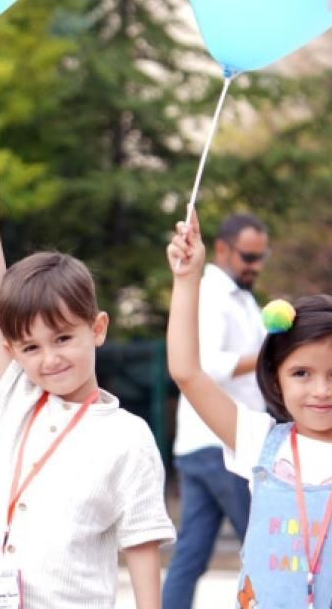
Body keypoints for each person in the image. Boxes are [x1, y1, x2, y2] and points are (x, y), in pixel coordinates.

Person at [0, 138, 174, 607]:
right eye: (30, 347)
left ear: (98, 328)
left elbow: (142, 544)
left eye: (63, 338)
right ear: (13, 350)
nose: (49, 359)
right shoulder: (21, 395)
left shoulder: (129, 437)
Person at [168, 210, 332, 607]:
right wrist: (187, 279)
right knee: (190, 554)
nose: (321, 390)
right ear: (275, 379)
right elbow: (188, 371)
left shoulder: (246, 300)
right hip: (203, 449)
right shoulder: (260, 441)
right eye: (301, 373)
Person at [163, 213, 270, 609]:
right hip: (223, 445)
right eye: (248, 257)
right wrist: (270, 357)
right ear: (222, 248)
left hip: (203, 445)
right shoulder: (209, 293)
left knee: (190, 555)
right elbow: (204, 365)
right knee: (267, 546)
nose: (255, 266)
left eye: (261, 257)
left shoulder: (244, 298)